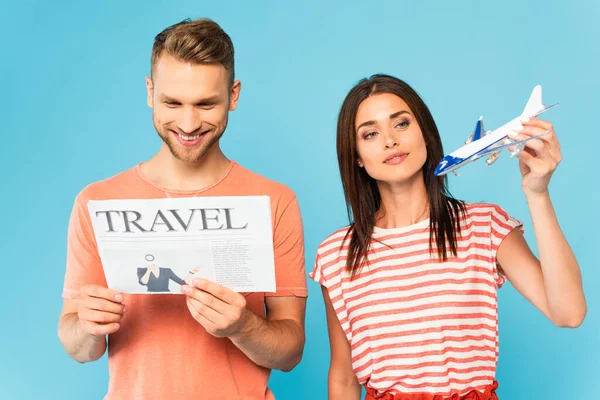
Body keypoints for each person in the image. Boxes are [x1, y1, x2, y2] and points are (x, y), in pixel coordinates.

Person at [58, 18, 307, 400]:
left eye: (206, 104)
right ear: (149, 91)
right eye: (172, 102)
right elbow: (79, 348)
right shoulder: (96, 202)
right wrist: (88, 326)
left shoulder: (274, 201)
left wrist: (242, 326)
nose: (188, 124)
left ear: (234, 95)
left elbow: (290, 352)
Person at [309, 74, 586, 399]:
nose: (389, 141)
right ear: (356, 155)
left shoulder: (484, 226)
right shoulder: (337, 254)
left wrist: (537, 194)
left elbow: (569, 312)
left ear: (425, 133)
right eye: (370, 133)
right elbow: (343, 377)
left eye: (401, 124)